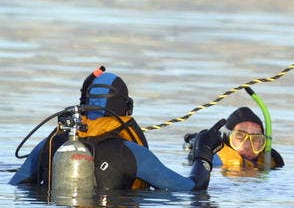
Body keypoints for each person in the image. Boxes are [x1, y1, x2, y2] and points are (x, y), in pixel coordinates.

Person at [10, 66, 224, 191]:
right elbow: (190, 189)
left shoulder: (52, 142)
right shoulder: (132, 153)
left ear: (84, 103)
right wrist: (203, 154)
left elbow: (17, 185)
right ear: (127, 107)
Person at [186, 107, 284, 171]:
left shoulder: (272, 162)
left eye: (256, 139)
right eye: (240, 137)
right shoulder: (215, 160)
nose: (248, 146)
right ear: (227, 139)